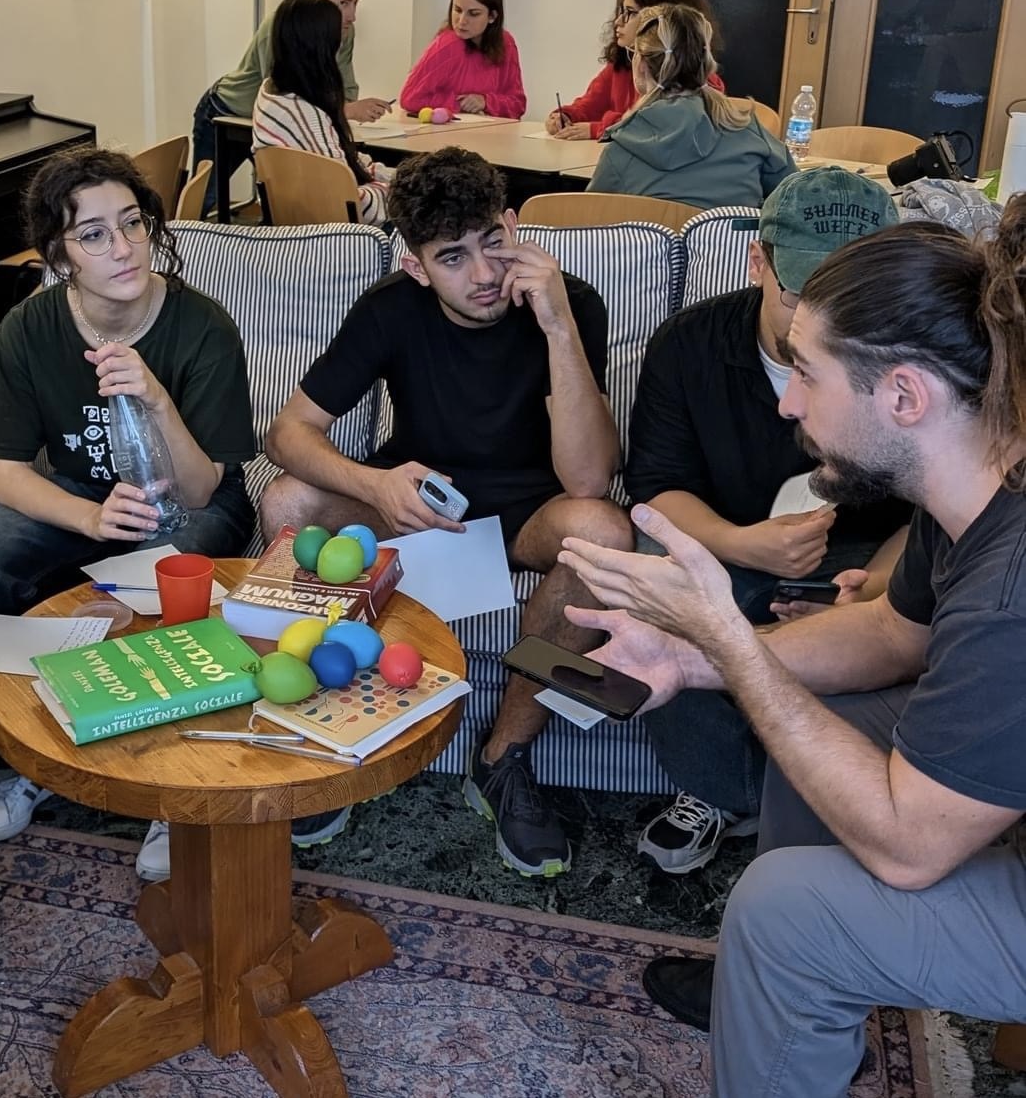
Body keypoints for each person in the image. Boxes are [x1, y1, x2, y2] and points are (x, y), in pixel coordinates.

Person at [558, 200, 1026, 1095]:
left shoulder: (1012, 588)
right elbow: (889, 634)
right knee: (834, 716)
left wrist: (728, 640)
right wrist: (690, 658)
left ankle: (786, 963)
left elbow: (908, 848)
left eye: (809, 374)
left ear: (904, 396)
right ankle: (792, 1002)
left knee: (780, 916)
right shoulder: (973, 481)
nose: (787, 401)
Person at [261, 146, 633, 870]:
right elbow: (288, 433)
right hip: (421, 501)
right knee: (287, 499)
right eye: (453, 258)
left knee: (601, 532)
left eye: (493, 241)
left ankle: (503, 756)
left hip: (534, 508)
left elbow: (588, 478)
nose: (485, 274)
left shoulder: (570, 303)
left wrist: (558, 327)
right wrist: (375, 486)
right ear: (416, 266)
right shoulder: (390, 309)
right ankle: (333, 731)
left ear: (513, 223)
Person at [0, 146, 257, 881]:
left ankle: (171, 789)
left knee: (176, 573)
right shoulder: (30, 327)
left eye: (133, 223)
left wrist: (155, 397)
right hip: (81, 493)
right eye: (93, 234)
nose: (123, 247)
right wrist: (88, 521)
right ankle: (11, 764)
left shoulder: (202, 327)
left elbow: (202, 488)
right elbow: (7, 476)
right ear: (59, 254)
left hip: (189, 496)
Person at [623, 167, 912, 875]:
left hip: (872, 554)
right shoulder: (691, 345)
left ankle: (813, 804)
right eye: (802, 293)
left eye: (849, 301)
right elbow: (657, 489)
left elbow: (939, 516)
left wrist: (878, 587)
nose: (823, 321)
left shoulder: (907, 364)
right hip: (724, 538)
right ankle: (724, 791)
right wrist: (742, 543)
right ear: (758, 261)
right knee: (673, 592)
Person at [190, 0, 390, 215]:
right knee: (204, 200)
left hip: (277, 121)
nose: (352, 16)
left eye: (355, 3)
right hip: (228, 111)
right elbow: (291, 92)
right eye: (342, 3)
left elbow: (343, 88)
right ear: (311, 0)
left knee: (287, 200)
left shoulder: (343, 32)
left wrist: (344, 109)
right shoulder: (281, 30)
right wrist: (346, 110)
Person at [586, 4, 793, 210]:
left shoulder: (620, 151)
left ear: (641, 65)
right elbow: (797, 199)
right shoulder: (749, 132)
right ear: (705, 61)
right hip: (731, 233)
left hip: (651, 231)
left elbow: (586, 219)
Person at [251, 0, 395, 227]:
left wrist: (391, 176)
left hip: (297, 224)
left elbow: (342, 165)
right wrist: (396, 191)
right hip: (337, 234)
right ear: (322, 48)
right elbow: (351, 204)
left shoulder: (270, 94)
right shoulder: (307, 114)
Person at [545, 0, 723, 142]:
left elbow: (656, 127)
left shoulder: (696, 76)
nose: (618, 21)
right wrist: (566, 116)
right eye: (621, 11)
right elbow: (590, 105)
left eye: (630, 13)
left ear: (658, 19)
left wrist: (598, 128)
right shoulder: (620, 66)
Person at [399, 0, 525, 120]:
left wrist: (486, 101)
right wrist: (459, 103)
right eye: (457, 10)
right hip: (448, 132)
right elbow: (410, 98)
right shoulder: (448, 44)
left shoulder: (506, 43)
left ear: (492, 16)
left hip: (492, 131)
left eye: (473, 13)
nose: (462, 21)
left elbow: (518, 105)